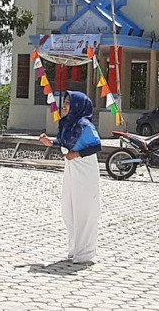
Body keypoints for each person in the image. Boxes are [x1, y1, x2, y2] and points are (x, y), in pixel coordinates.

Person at [39, 90, 101, 264]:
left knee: (84, 209)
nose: (64, 106)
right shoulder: (68, 123)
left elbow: (96, 146)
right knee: (69, 208)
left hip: (85, 170)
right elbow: (65, 142)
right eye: (64, 102)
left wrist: (77, 154)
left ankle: (86, 252)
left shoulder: (84, 124)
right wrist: (51, 143)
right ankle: (75, 249)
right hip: (71, 169)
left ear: (77, 106)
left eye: (68, 102)